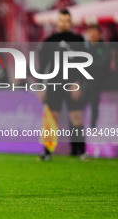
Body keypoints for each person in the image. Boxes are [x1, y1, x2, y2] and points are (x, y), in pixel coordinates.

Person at [37, 9, 88, 161]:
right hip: (54, 84)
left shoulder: (78, 40)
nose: (63, 23)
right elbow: (42, 66)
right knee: (52, 119)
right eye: (61, 20)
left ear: (70, 22)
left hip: (72, 83)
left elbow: (84, 63)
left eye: (66, 20)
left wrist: (79, 82)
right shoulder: (49, 41)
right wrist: (40, 87)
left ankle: (82, 152)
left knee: (76, 117)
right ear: (57, 22)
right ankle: (47, 152)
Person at [85, 24, 110, 128]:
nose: (93, 35)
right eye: (90, 32)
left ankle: (93, 126)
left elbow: (103, 64)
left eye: (95, 33)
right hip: (83, 82)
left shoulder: (104, 47)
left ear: (100, 34)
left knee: (94, 103)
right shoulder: (82, 47)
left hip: (99, 83)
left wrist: (89, 64)